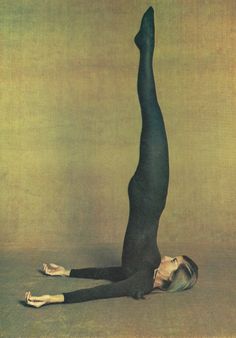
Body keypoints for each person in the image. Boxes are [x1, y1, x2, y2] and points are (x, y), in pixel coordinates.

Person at [25, 7, 198, 308]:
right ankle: (146, 45)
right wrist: (67, 272)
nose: (169, 256)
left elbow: (105, 291)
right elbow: (114, 273)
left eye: (174, 261)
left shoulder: (142, 282)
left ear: (169, 279)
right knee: (152, 114)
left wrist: (54, 298)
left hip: (150, 193)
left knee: (152, 112)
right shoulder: (147, 267)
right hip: (146, 194)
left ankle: (146, 45)